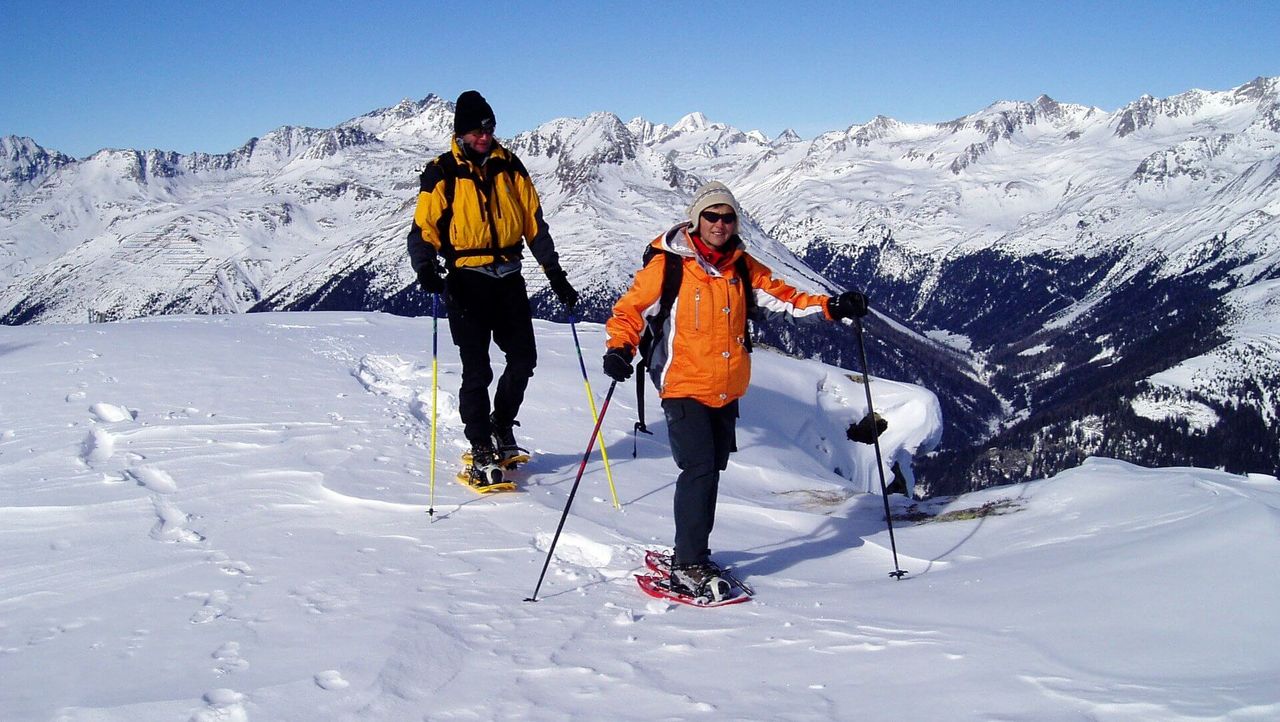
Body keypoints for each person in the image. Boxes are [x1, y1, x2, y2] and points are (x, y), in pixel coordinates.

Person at [602, 181, 870, 598]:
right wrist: (620, 348)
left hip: (727, 388)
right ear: (696, 220)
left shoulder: (742, 266)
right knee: (699, 469)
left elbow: (784, 298)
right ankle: (688, 563)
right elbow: (630, 311)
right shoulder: (669, 266)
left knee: (711, 471)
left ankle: (693, 551)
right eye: (712, 216)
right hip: (682, 384)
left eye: (728, 217)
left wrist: (830, 307)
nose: (720, 224)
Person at [407, 90, 578, 486]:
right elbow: (423, 229)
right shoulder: (442, 172)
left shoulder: (511, 167)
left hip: (509, 277)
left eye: (489, 128)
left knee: (523, 359)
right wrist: (426, 268)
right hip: (466, 280)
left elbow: (533, 224)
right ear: (461, 132)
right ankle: (481, 443)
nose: (485, 135)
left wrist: (555, 274)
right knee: (477, 370)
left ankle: (500, 424)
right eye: (477, 129)